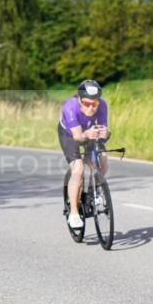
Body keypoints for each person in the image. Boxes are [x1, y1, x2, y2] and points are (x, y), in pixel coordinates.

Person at [58, 79, 109, 228]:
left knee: (103, 159)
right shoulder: (70, 107)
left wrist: (106, 133)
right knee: (78, 170)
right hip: (70, 135)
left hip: (89, 132)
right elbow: (78, 136)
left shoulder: (102, 105)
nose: (91, 107)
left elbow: (103, 131)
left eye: (95, 103)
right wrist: (87, 134)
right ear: (79, 99)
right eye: (87, 103)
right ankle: (74, 213)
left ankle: (93, 192)